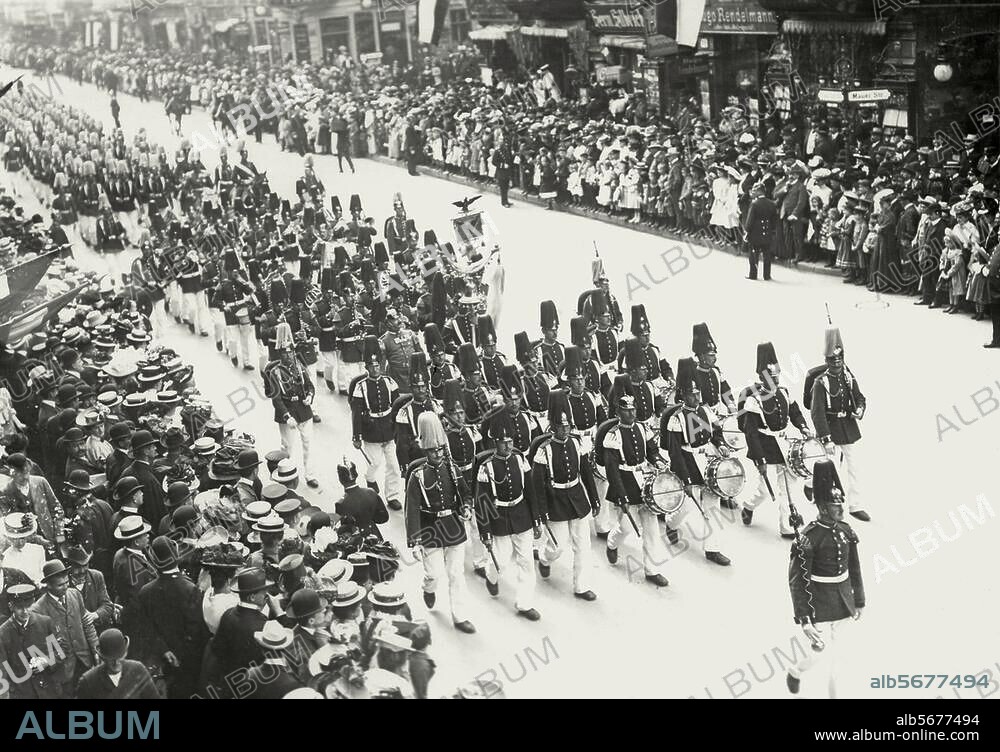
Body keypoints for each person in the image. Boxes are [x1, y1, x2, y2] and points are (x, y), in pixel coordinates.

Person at [785, 460, 865, 697]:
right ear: (821, 506)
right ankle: (796, 670)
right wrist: (805, 619)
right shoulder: (809, 538)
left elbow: (855, 568)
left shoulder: (846, 530)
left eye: (841, 502)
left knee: (839, 661)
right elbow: (798, 581)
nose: (840, 508)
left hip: (843, 601)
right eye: (834, 504)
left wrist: (859, 600)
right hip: (818, 604)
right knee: (817, 655)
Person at [403, 412, 476, 634]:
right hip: (430, 530)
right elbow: (412, 509)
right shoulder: (417, 476)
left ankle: (460, 616)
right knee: (434, 573)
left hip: (453, 526)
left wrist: (466, 507)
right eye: (433, 451)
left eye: (440, 450)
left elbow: (465, 494)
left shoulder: (452, 469)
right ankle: (429, 588)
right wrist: (414, 540)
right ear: (425, 451)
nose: (437, 454)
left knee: (456, 573)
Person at [659, 359, 733, 566]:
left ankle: (713, 549)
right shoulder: (676, 418)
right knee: (687, 507)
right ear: (683, 395)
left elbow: (716, 434)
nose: (696, 397)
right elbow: (675, 452)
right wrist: (687, 480)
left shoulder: (706, 411)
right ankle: (671, 524)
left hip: (708, 458)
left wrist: (721, 445)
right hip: (688, 460)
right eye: (692, 394)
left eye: (698, 393)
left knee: (712, 504)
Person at [739, 343, 813, 538]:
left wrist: (803, 427)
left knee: (789, 486)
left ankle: (787, 526)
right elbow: (751, 433)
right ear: (762, 377)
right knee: (764, 490)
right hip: (764, 446)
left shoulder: (784, 392)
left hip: (783, 444)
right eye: (772, 376)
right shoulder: (753, 400)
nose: (776, 378)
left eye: (777, 374)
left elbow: (795, 413)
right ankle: (748, 506)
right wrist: (759, 460)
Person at [531, 394, 599, 602]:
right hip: (556, 501)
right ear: (552, 427)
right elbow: (537, 486)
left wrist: (594, 500)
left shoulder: (578, 443)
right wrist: (540, 514)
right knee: (557, 547)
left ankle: (581, 585)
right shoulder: (544, 450)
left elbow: (586, 473)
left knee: (583, 545)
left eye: (568, 426)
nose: (565, 430)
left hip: (577, 498)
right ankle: (544, 558)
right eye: (561, 427)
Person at [475, 411, 541, 620]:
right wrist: (485, 532)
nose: (508, 446)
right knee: (500, 562)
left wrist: (537, 520)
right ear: (495, 442)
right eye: (503, 442)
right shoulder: (486, 467)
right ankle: (490, 576)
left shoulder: (521, 460)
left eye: (510, 441)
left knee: (526, 562)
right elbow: (482, 502)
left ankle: (524, 603)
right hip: (499, 517)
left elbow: (531, 491)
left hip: (522, 515)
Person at [603, 393, 671, 587]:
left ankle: (652, 570)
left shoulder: (642, 428)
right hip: (624, 482)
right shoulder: (613, 435)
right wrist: (621, 495)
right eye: (627, 410)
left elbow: (652, 450)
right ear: (619, 412)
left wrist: (657, 460)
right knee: (625, 527)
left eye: (633, 410)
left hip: (644, 479)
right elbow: (612, 469)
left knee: (651, 529)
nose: (631, 414)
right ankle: (612, 542)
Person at [135, 537, 208, 698]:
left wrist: (165, 650)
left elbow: (146, 628)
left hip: (160, 661)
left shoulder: (145, 592)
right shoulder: (191, 589)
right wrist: (180, 654)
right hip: (187, 663)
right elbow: (196, 629)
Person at [808, 328, 869, 521]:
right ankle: (828, 502)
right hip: (830, 428)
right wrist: (825, 438)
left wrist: (859, 409)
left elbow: (860, 397)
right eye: (833, 361)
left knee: (855, 466)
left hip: (848, 427)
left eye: (840, 360)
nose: (837, 364)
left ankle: (855, 505)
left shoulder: (848, 377)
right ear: (826, 361)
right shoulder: (821, 382)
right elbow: (817, 413)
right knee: (829, 470)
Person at [30, 560, 100, 696]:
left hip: (85, 661)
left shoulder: (75, 595)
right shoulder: (38, 610)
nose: (65, 587)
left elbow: (87, 624)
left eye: (67, 582)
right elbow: (39, 645)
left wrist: (96, 649)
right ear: (48, 585)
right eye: (60, 585)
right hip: (61, 672)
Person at [350, 336, 403, 510]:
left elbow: (397, 407)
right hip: (371, 429)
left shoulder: (389, 382)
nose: (375, 369)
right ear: (366, 368)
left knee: (394, 466)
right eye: (371, 366)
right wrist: (356, 436)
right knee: (374, 463)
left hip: (388, 428)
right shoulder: (361, 387)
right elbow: (356, 413)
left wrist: (399, 429)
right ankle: (370, 479)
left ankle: (392, 495)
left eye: (377, 365)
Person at [263, 322, 319, 488]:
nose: (288, 356)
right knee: (288, 447)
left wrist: (310, 396)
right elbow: (276, 398)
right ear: (280, 355)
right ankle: (286, 472)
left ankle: (310, 475)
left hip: (304, 409)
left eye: (290, 353)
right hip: (287, 412)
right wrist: (287, 416)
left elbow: (310, 385)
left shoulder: (300, 367)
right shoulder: (275, 372)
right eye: (285, 354)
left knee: (309, 443)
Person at [0, 584, 64, 699]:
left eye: (28, 606)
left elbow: (60, 653)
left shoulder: (45, 623)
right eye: (19, 607)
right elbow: (3, 673)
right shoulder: (3, 634)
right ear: (11, 606)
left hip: (50, 692)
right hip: (22, 694)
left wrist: (46, 661)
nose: (25, 611)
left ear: (34, 602)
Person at [76, 628, 160, 699]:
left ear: (125, 653)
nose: (116, 663)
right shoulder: (88, 681)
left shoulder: (138, 670)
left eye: (120, 657)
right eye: (111, 659)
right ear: (103, 658)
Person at [64, 545, 117, 633]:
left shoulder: (96, 576)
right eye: (77, 567)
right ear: (69, 566)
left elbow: (108, 605)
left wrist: (95, 615)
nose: (82, 571)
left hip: (99, 630)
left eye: (85, 565)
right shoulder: (64, 583)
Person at [745, 183, 778, 281]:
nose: (753, 193)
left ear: (759, 191)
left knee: (753, 254)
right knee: (767, 254)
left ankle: (753, 275)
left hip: (755, 232)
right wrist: (772, 230)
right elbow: (774, 219)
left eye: (754, 191)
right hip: (767, 231)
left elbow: (749, 220)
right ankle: (767, 275)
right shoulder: (771, 203)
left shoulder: (754, 204)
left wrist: (747, 230)